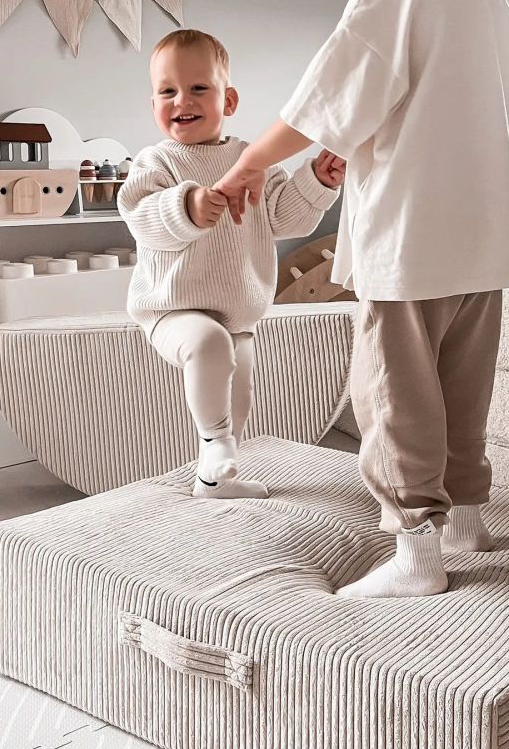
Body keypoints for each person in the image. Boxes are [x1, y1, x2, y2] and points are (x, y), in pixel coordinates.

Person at [216, 0, 509, 598]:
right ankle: (465, 521)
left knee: (393, 395)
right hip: (483, 235)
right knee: (461, 387)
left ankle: (416, 553)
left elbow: (326, 99)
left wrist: (250, 162)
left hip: (410, 237)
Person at [119, 29, 346, 498]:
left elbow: (283, 217)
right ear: (153, 104)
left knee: (237, 398)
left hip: (238, 315)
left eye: (198, 88)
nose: (182, 100)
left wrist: (317, 181)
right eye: (167, 91)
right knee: (208, 346)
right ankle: (215, 445)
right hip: (172, 309)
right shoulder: (155, 162)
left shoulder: (251, 158)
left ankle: (214, 479)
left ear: (229, 100)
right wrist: (188, 206)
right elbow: (141, 217)